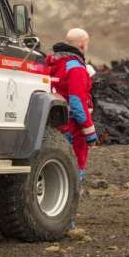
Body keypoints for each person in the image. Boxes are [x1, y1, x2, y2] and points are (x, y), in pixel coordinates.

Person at [46, 28, 97, 183]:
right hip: (73, 126)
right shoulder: (76, 68)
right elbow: (77, 102)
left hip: (53, 123)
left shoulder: (52, 63)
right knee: (74, 165)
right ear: (82, 45)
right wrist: (90, 132)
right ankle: (74, 186)